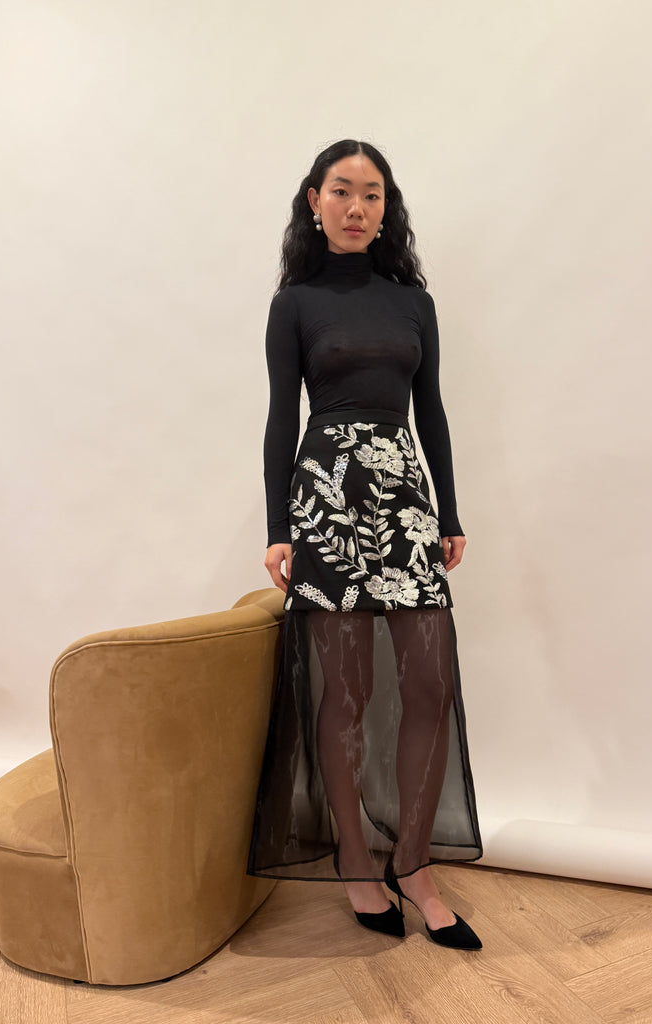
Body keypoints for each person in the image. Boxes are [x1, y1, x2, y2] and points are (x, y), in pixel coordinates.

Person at [247, 140, 483, 950]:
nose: (357, 207)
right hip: (327, 503)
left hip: (404, 501)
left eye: (372, 193)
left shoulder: (413, 302)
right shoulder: (295, 304)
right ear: (314, 201)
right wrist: (278, 527)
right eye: (342, 191)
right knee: (345, 694)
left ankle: (412, 863)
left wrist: (448, 513)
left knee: (429, 683)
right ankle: (355, 857)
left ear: (387, 208)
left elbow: (432, 413)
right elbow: (281, 418)